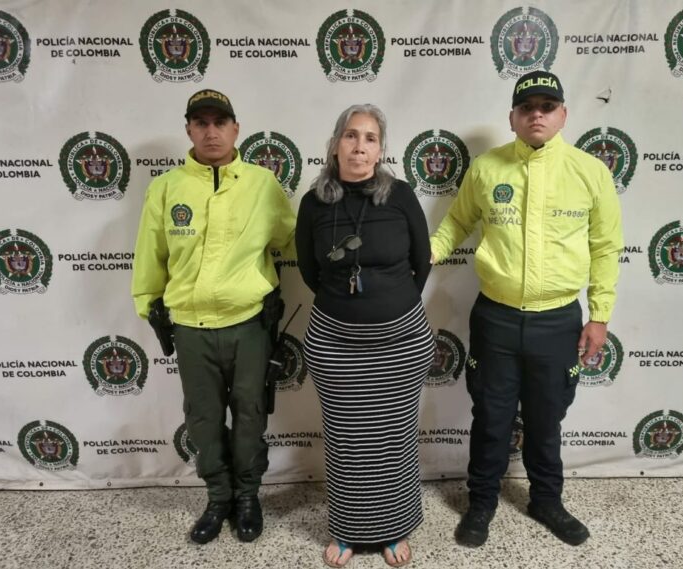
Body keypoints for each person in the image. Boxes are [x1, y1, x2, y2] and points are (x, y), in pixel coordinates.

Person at [430, 70, 623, 547]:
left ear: (563, 115)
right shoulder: (488, 168)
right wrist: (422, 256)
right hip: (495, 317)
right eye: (527, 107)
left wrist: (599, 315)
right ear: (512, 117)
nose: (536, 114)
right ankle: (481, 503)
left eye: (547, 106)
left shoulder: (589, 172)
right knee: (491, 416)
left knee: (546, 416)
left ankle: (546, 500)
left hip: (558, 321)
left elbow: (606, 247)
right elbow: (455, 223)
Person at [131, 89, 296, 544]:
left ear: (235, 128)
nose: (210, 131)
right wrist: (149, 306)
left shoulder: (263, 184)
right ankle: (218, 497)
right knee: (203, 419)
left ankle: (247, 497)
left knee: (249, 416)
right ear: (188, 129)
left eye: (219, 122)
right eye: (200, 122)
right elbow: (151, 257)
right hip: (190, 328)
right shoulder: (165, 189)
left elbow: (294, 240)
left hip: (249, 326)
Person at [295, 104, 434, 568]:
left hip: (401, 341)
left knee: (394, 435)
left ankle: (393, 529)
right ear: (336, 143)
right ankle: (348, 529)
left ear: (380, 149)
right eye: (351, 136)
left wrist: (390, 307)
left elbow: (423, 261)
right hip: (335, 342)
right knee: (347, 437)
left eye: (370, 138)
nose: (359, 146)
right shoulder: (314, 202)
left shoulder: (400, 195)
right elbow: (311, 271)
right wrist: (349, 307)